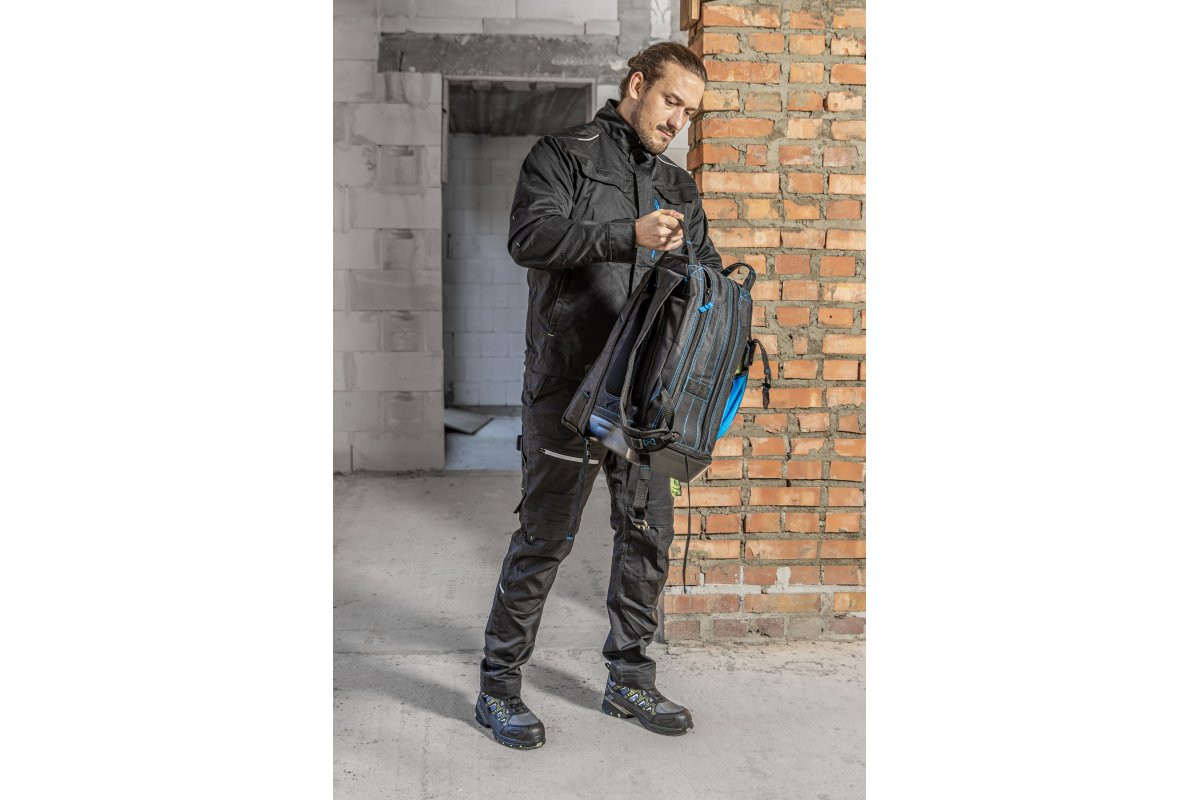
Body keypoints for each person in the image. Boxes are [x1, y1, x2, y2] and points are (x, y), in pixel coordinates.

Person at [474, 42, 723, 750]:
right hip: (569, 385)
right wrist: (627, 235)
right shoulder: (562, 155)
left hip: (647, 398)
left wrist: (712, 293)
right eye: (671, 101)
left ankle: (629, 679)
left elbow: (703, 272)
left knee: (648, 534)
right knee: (545, 538)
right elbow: (530, 236)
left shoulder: (677, 185)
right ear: (637, 85)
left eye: (690, 112)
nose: (677, 120)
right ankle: (498, 688)